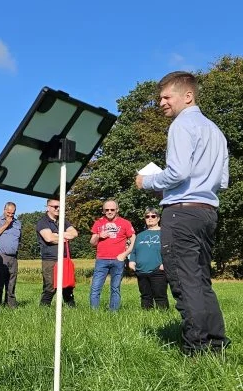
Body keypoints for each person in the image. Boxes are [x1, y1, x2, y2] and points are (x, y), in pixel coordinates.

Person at [136, 71, 230, 355]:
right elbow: (222, 181)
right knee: (201, 280)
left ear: (187, 96)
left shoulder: (181, 125)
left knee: (184, 281)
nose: (161, 103)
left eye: (167, 97)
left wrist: (148, 182)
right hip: (207, 212)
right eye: (160, 98)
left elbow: (178, 172)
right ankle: (216, 344)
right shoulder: (216, 131)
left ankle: (195, 348)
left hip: (181, 216)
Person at [88, 199, 135, 310]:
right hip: (101, 260)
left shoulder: (125, 223)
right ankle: (94, 313)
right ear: (103, 211)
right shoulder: (98, 223)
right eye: (107, 210)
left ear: (117, 210)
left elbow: (133, 239)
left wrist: (125, 253)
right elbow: (92, 242)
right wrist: (99, 235)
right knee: (95, 288)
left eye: (112, 209)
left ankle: (113, 313)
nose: (109, 211)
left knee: (115, 288)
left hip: (118, 260)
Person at [37, 198, 78, 306]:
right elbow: (49, 238)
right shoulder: (43, 222)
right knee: (50, 286)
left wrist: (57, 235)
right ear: (48, 207)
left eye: (60, 207)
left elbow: (74, 233)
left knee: (68, 286)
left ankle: (72, 309)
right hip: (50, 259)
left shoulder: (63, 221)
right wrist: (64, 235)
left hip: (64, 259)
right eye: (55, 207)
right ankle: (44, 310)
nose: (58, 209)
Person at [128, 207, 168, 310]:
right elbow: (134, 251)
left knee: (160, 296)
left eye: (153, 216)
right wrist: (132, 261)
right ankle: (147, 316)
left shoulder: (165, 234)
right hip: (141, 270)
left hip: (158, 270)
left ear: (158, 218)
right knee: (145, 296)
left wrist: (165, 263)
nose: (150, 218)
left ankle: (163, 318)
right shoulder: (140, 235)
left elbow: (170, 251)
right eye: (147, 216)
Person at [0, 201, 22, 308]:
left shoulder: (18, 223)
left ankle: (11, 305)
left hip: (13, 257)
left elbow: (19, 239)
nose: (10, 215)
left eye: (12, 213)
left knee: (12, 282)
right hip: (1, 256)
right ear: (4, 210)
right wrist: (6, 224)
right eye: (8, 212)